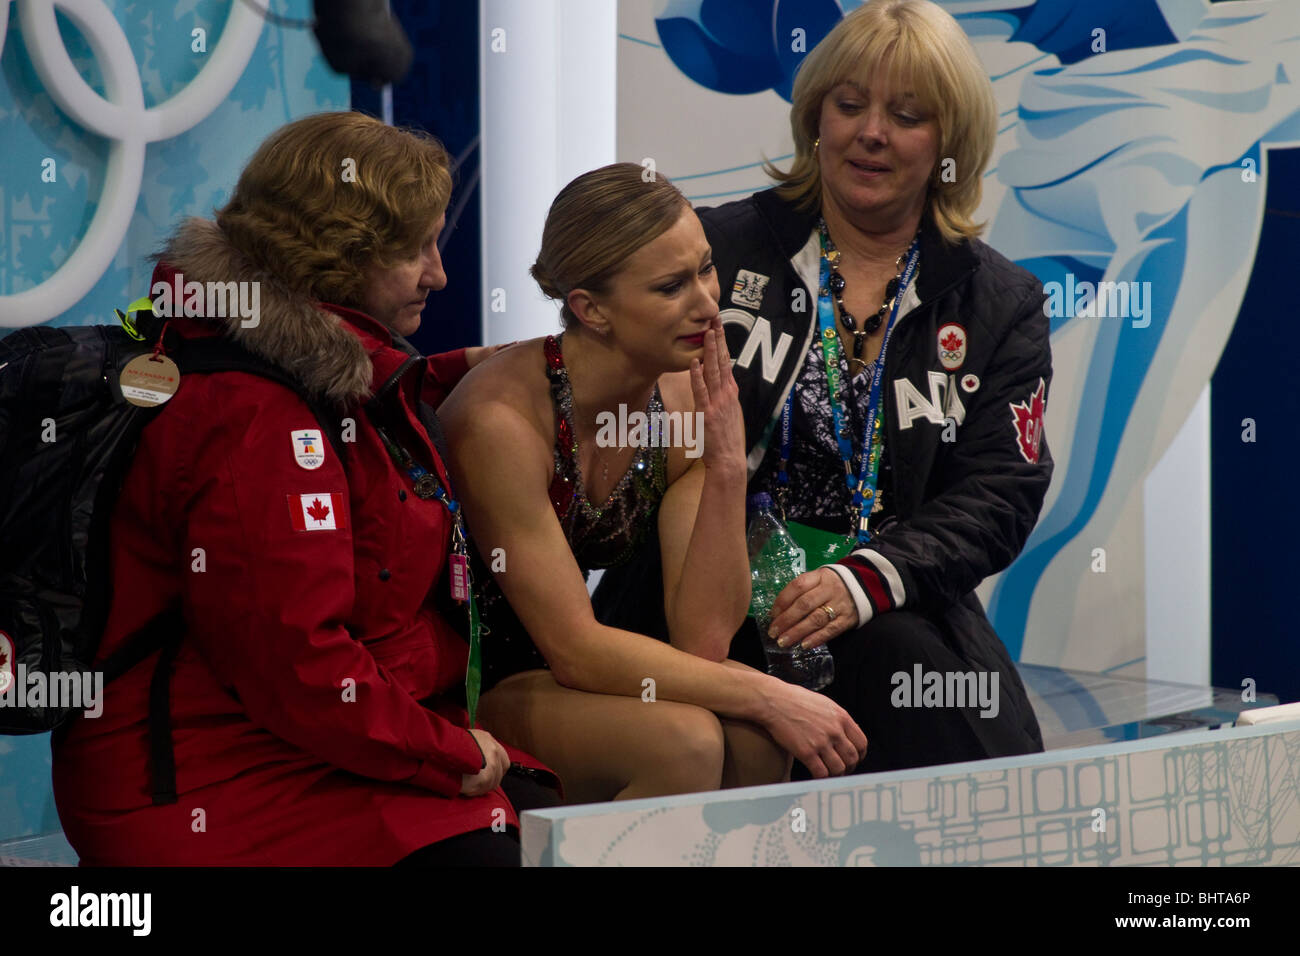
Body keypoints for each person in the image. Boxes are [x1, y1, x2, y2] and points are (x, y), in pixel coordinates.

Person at [51, 111, 558, 866]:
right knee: (494, 843)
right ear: (337, 255)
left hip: (259, 737)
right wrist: (446, 751)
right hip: (197, 782)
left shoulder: (264, 360)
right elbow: (300, 665)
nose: (439, 272)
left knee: (537, 804)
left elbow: (374, 401)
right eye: (414, 248)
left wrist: (509, 369)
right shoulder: (255, 420)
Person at [594, 0, 1050, 773]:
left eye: (907, 115)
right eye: (848, 105)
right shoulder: (714, 249)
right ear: (815, 118)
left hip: (893, 600)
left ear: (951, 143)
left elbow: (999, 494)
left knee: (959, 724)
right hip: (697, 596)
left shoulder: (999, 303)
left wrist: (865, 578)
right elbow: (601, 389)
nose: (870, 132)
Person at [438, 164, 867, 804]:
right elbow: (577, 650)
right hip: (458, 684)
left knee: (754, 737)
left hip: (555, 672)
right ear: (590, 310)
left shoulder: (679, 398)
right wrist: (769, 692)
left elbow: (702, 637)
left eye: (705, 268)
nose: (706, 302)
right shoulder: (502, 421)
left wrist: (725, 467)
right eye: (670, 287)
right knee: (687, 740)